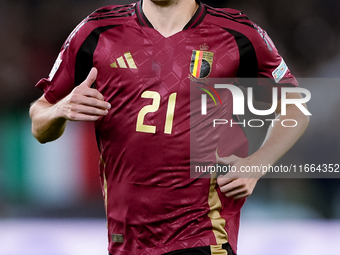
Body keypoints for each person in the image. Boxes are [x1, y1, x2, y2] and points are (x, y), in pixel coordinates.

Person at [29, 0, 309, 254]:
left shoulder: (237, 35)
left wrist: (257, 163)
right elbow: (39, 121)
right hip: (124, 238)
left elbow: (295, 105)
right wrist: (60, 110)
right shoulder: (96, 32)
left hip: (202, 231)